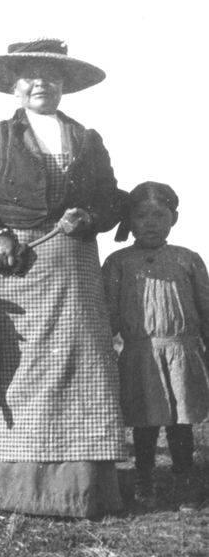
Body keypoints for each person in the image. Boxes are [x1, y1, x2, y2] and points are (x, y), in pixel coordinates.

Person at [0, 39, 128, 518]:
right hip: (10, 265)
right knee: (0, 365)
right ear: (14, 86)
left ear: (65, 85)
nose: (42, 82)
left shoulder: (87, 139)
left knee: (76, 370)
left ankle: (74, 490)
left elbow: (111, 200)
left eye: (52, 75)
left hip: (72, 270)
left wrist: (91, 217)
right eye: (31, 75)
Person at [103, 182, 209, 510]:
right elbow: (108, 314)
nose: (150, 222)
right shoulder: (118, 262)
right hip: (140, 354)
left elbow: (206, 309)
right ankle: (144, 479)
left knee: (180, 422)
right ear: (130, 221)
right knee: (144, 422)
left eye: (159, 215)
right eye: (141, 215)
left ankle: (185, 481)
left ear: (173, 219)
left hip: (181, 352)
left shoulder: (188, 260)